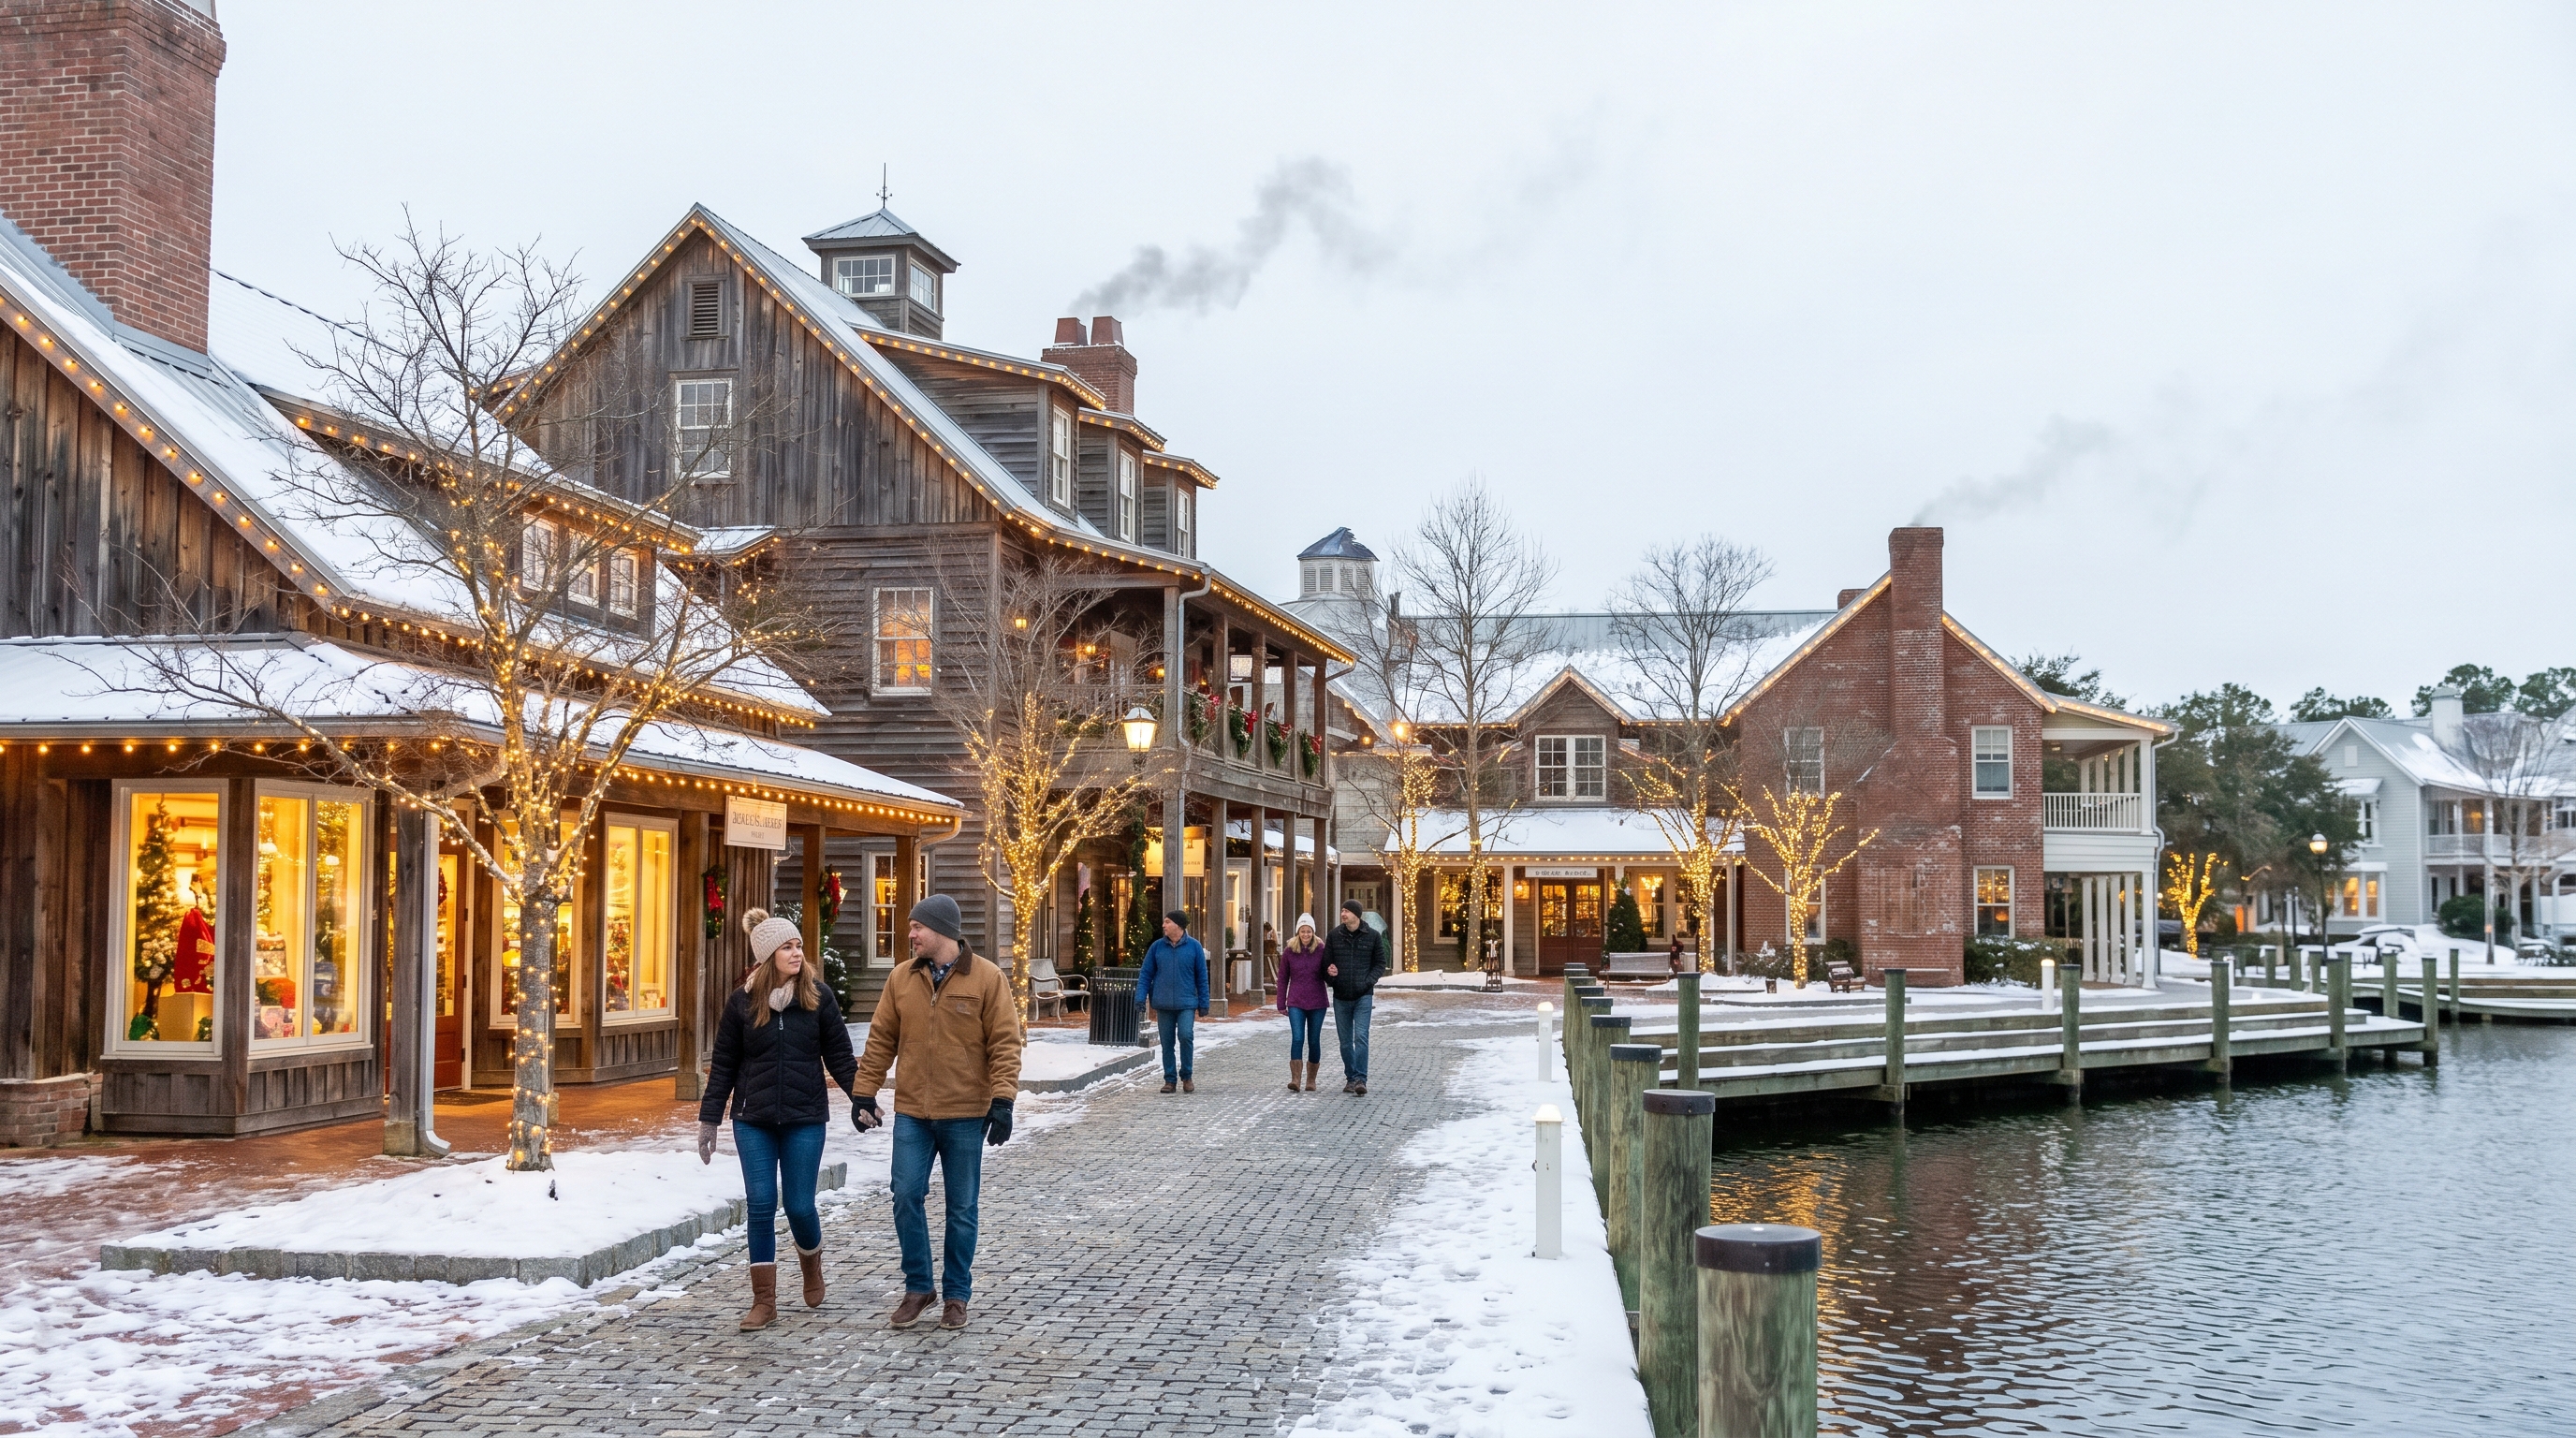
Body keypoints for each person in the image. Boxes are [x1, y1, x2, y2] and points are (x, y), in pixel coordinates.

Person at [851, 893, 1023, 1333]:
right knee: (905, 1195)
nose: (909, 934)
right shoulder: (900, 980)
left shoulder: (987, 979)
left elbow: (1005, 1043)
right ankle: (918, 1286)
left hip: (966, 1112)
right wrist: (863, 1093)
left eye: (916, 928)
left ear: (942, 930)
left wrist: (1002, 1101)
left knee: (961, 1208)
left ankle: (955, 1296)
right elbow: (881, 1040)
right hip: (912, 1112)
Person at [697, 908, 858, 1331]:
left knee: (801, 1206)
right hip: (754, 1120)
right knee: (762, 1205)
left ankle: (811, 1264)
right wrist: (709, 1120)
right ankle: (764, 1302)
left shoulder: (818, 998)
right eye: (787, 946)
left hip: (806, 1117)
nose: (797, 952)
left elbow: (840, 1057)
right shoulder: (742, 1004)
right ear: (767, 956)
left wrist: (863, 1099)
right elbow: (725, 1065)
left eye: (799, 945)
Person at [1137, 910, 1209, 1093]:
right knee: (1167, 1043)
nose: (1164, 925)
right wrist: (1140, 997)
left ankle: (1187, 1076)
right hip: (1163, 1004)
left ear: (1178, 925)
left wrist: (1204, 1002)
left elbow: (1202, 977)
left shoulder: (1194, 947)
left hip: (1186, 1003)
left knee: (1186, 1036)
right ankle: (1170, 1079)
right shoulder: (1156, 947)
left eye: (1167, 922)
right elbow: (1146, 974)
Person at [1323, 899, 1388, 1095]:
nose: (1343, 914)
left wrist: (1367, 982)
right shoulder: (1334, 936)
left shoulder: (1373, 936)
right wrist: (1331, 975)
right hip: (1341, 996)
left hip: (1363, 996)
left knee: (1361, 1037)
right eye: (1342, 911)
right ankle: (1350, 1078)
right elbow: (1325, 964)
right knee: (1344, 1041)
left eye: (1347, 911)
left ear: (1356, 915)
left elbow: (1380, 963)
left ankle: (1360, 1079)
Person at [1276, 914, 1330, 1092]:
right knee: (1297, 1038)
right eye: (1302, 931)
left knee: (1314, 1040)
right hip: (1296, 1001)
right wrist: (1281, 1003)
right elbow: (1283, 978)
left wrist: (1332, 971)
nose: (1306, 934)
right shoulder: (1289, 951)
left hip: (1317, 1002)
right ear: (1298, 932)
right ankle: (1296, 1079)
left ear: (1313, 932)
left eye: (1309, 931)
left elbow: (1328, 972)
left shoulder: (1321, 949)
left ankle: (1311, 1080)